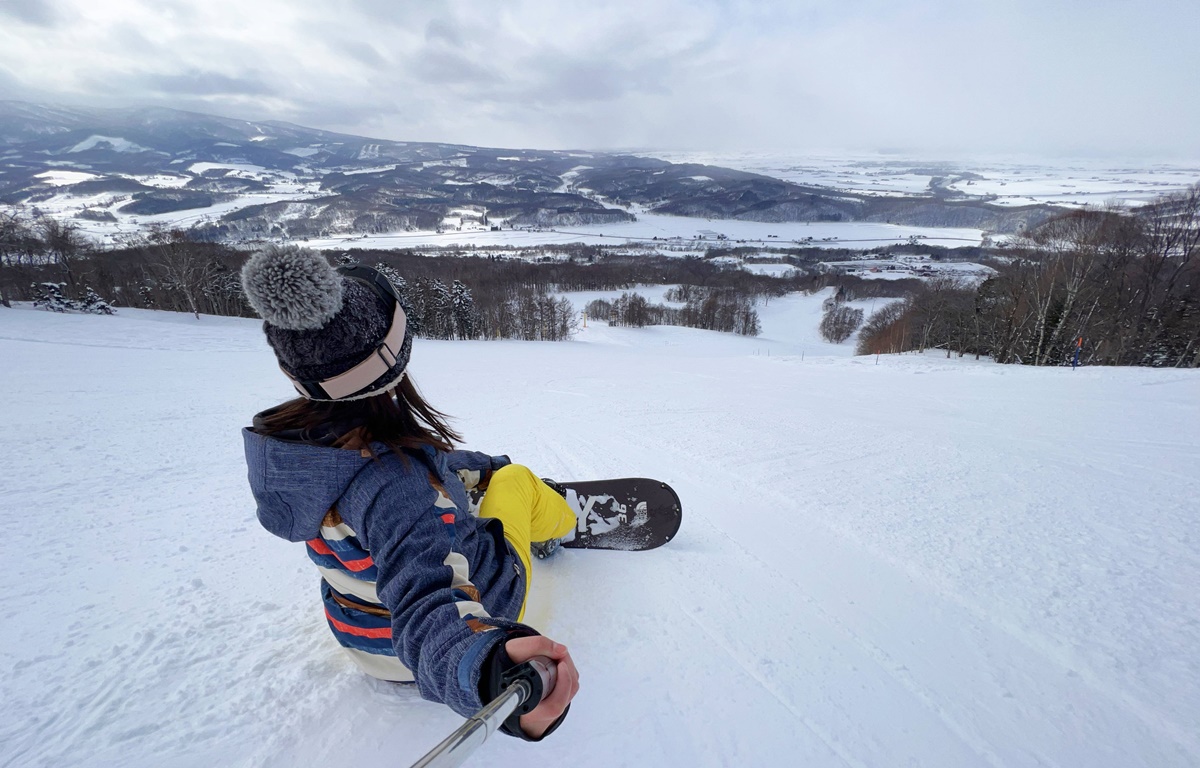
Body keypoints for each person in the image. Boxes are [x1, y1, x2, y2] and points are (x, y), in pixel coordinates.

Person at [239, 245, 579, 740]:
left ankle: (517, 502)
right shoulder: (399, 485)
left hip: (363, 643)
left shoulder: (297, 452)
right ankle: (566, 521)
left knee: (481, 480)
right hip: (428, 649)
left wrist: (468, 471)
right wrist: (485, 669)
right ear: (395, 356)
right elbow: (427, 595)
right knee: (515, 480)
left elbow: (426, 477)